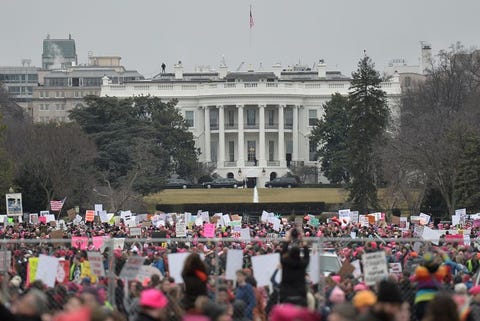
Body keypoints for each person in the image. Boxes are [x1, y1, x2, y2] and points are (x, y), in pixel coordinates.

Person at [279, 227, 310, 306]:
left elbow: (282, 253)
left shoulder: (285, 263)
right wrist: (303, 238)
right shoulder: (303, 264)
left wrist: (287, 239)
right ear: (299, 255)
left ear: (289, 254)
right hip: (300, 295)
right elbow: (307, 255)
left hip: (286, 295)